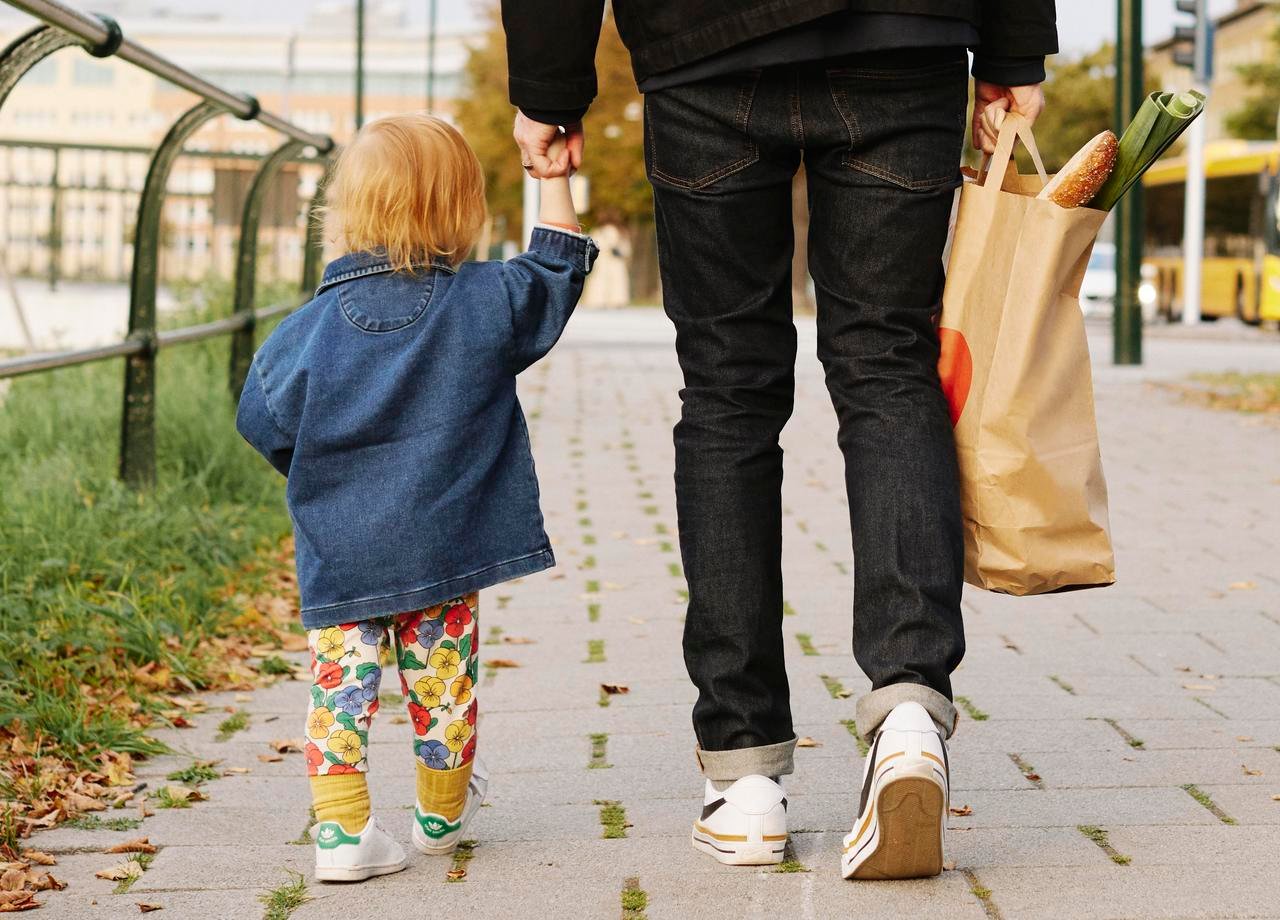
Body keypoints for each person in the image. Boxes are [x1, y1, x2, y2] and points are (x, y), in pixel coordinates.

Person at [503, 0, 1055, 879]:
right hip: (903, 40)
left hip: (702, 48)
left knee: (728, 391)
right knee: (888, 369)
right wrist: (1015, 46)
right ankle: (910, 710)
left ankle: (747, 777)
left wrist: (549, 84)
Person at [236, 114, 596, 882]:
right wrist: (554, 178)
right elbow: (556, 273)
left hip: (342, 554)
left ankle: (341, 836)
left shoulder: (300, 335)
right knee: (443, 683)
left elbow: (261, 423)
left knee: (340, 689)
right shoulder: (482, 301)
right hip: (443, 547)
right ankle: (441, 814)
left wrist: (330, 481)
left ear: (345, 212)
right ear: (461, 211)